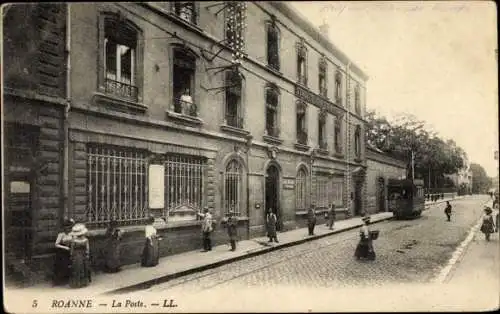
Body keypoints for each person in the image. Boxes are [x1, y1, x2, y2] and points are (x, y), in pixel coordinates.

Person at [69, 223, 91, 288]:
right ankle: (83, 283)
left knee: (76, 269)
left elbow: (72, 249)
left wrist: (71, 255)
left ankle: (77, 283)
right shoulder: (85, 240)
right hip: (83, 255)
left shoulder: (73, 240)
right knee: (84, 268)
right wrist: (87, 255)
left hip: (76, 256)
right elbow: (87, 249)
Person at [53, 218, 75, 286]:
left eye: (69, 227)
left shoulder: (72, 234)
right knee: (63, 265)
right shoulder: (61, 234)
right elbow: (56, 244)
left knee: (71, 265)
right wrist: (65, 247)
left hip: (70, 251)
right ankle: (60, 281)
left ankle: (68, 280)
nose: (68, 229)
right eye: (66, 227)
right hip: (62, 252)